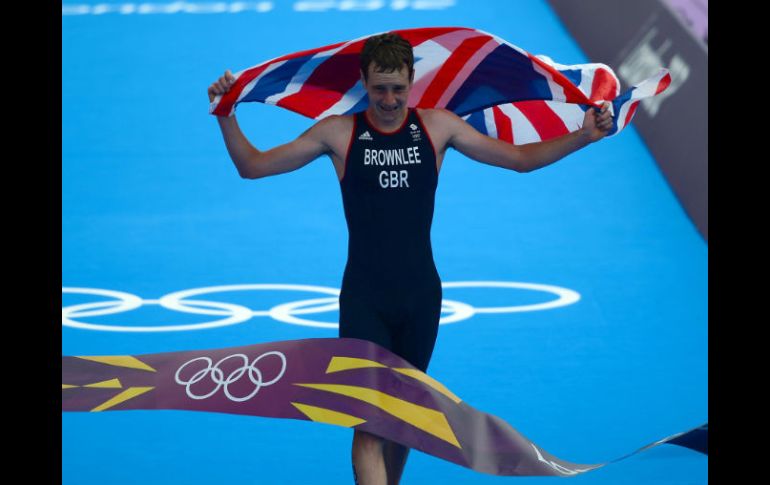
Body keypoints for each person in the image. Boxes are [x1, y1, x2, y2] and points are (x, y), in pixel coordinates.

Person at [208, 33, 613, 485]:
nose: (389, 100)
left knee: (404, 421)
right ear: (364, 81)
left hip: (421, 299)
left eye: (398, 89)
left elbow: (519, 158)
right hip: (364, 299)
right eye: (379, 88)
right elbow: (254, 165)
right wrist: (226, 113)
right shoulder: (338, 133)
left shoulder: (439, 127)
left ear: (411, 82)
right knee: (366, 425)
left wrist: (585, 136)